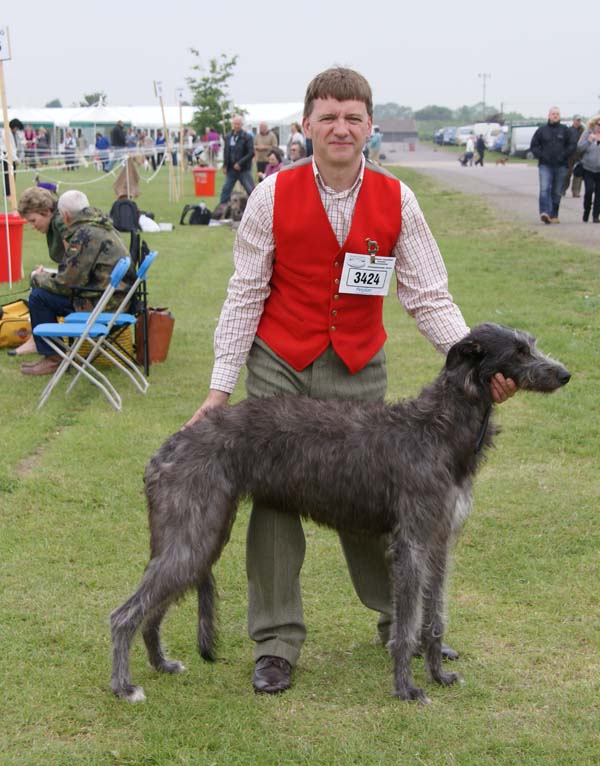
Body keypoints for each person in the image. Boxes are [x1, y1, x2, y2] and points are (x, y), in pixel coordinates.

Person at [185, 66, 516, 695]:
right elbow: (244, 295)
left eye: (353, 117)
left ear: (370, 126)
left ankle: (404, 622)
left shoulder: (399, 200)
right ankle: (276, 640)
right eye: (328, 116)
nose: (341, 127)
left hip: (359, 363)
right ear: (306, 124)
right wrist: (219, 389)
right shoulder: (271, 194)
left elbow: (428, 295)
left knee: (378, 498)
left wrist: (481, 363)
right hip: (280, 359)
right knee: (276, 501)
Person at [20, 190, 135, 376]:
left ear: (64, 216)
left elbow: (66, 284)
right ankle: (53, 355)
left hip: (102, 305)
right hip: (116, 299)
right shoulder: (102, 225)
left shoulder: (84, 235)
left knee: (39, 297)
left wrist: (37, 277)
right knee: (44, 293)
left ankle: (53, 358)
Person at [11, 186, 68, 356]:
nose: (32, 226)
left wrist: (45, 278)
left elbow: (76, 267)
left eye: (33, 220)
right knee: (39, 279)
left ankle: (43, 345)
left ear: (45, 211)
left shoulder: (61, 224)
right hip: (86, 286)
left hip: (87, 297)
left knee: (38, 291)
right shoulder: (58, 221)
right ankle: (36, 339)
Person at [530, 107, 575, 224]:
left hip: (561, 165)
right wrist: (541, 155)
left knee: (557, 191)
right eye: (553, 114)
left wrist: (564, 155)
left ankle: (554, 214)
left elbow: (572, 145)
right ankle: (544, 212)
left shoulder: (565, 130)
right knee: (544, 188)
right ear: (549, 116)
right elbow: (534, 146)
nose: (555, 116)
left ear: (560, 116)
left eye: (557, 114)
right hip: (545, 165)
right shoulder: (541, 130)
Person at [219, 115, 255, 204]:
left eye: (238, 124)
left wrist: (240, 163)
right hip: (231, 169)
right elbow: (226, 151)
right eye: (235, 124)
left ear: (241, 125)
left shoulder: (247, 137)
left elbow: (251, 153)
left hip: (243, 169)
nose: (236, 126)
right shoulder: (228, 136)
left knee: (251, 190)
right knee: (226, 189)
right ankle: (221, 208)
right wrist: (225, 165)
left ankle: (256, 207)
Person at [577, 114, 600, 223]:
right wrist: (589, 141)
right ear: (594, 124)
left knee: (599, 193)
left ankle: (596, 216)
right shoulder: (587, 133)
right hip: (588, 168)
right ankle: (586, 211)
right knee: (589, 190)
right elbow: (579, 148)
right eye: (599, 124)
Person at [562, 116, 584, 198]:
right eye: (577, 120)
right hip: (570, 156)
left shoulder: (583, 130)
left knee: (578, 174)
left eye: (579, 120)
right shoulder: (569, 130)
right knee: (567, 174)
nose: (578, 122)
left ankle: (576, 192)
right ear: (573, 121)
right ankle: (562, 190)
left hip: (579, 155)